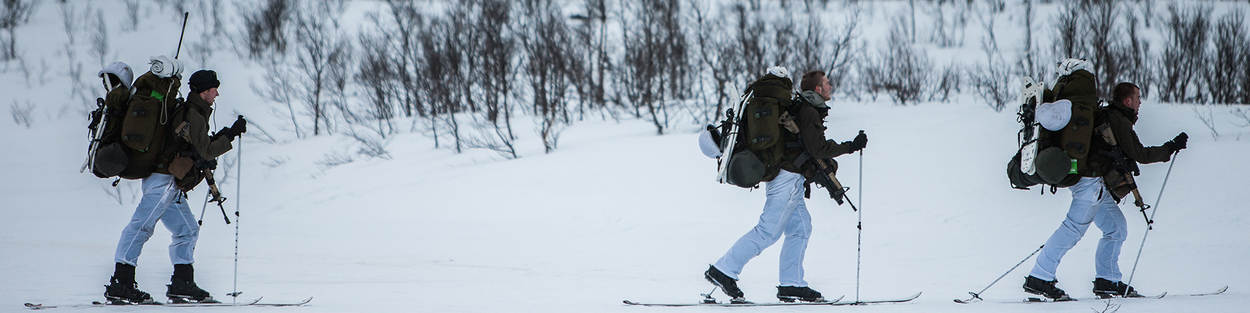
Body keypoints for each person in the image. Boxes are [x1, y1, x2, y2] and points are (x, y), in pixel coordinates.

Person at [704, 70, 868, 303]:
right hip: (787, 180)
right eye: (827, 83)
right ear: (818, 89)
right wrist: (850, 146)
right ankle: (723, 271)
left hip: (789, 178)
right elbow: (817, 149)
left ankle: (792, 284)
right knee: (767, 232)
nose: (831, 86)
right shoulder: (809, 111)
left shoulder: (801, 108)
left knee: (801, 227)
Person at [1023, 82, 1187, 300]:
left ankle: (1107, 281)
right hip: (1091, 185)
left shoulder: (1110, 116)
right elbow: (1140, 154)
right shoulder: (1117, 120)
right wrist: (1170, 147)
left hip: (1092, 183)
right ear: (1127, 101)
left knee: (1116, 228)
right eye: (1138, 98)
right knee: (1072, 229)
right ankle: (1040, 277)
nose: (1140, 103)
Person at [105, 70, 246, 304]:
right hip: (162, 182)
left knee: (188, 229)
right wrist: (230, 135)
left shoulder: (193, 110)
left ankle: (182, 284)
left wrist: (222, 136)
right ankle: (121, 282)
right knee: (141, 227)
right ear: (204, 92)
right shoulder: (194, 113)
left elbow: (196, 144)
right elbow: (206, 150)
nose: (217, 93)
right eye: (213, 89)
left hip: (169, 183)